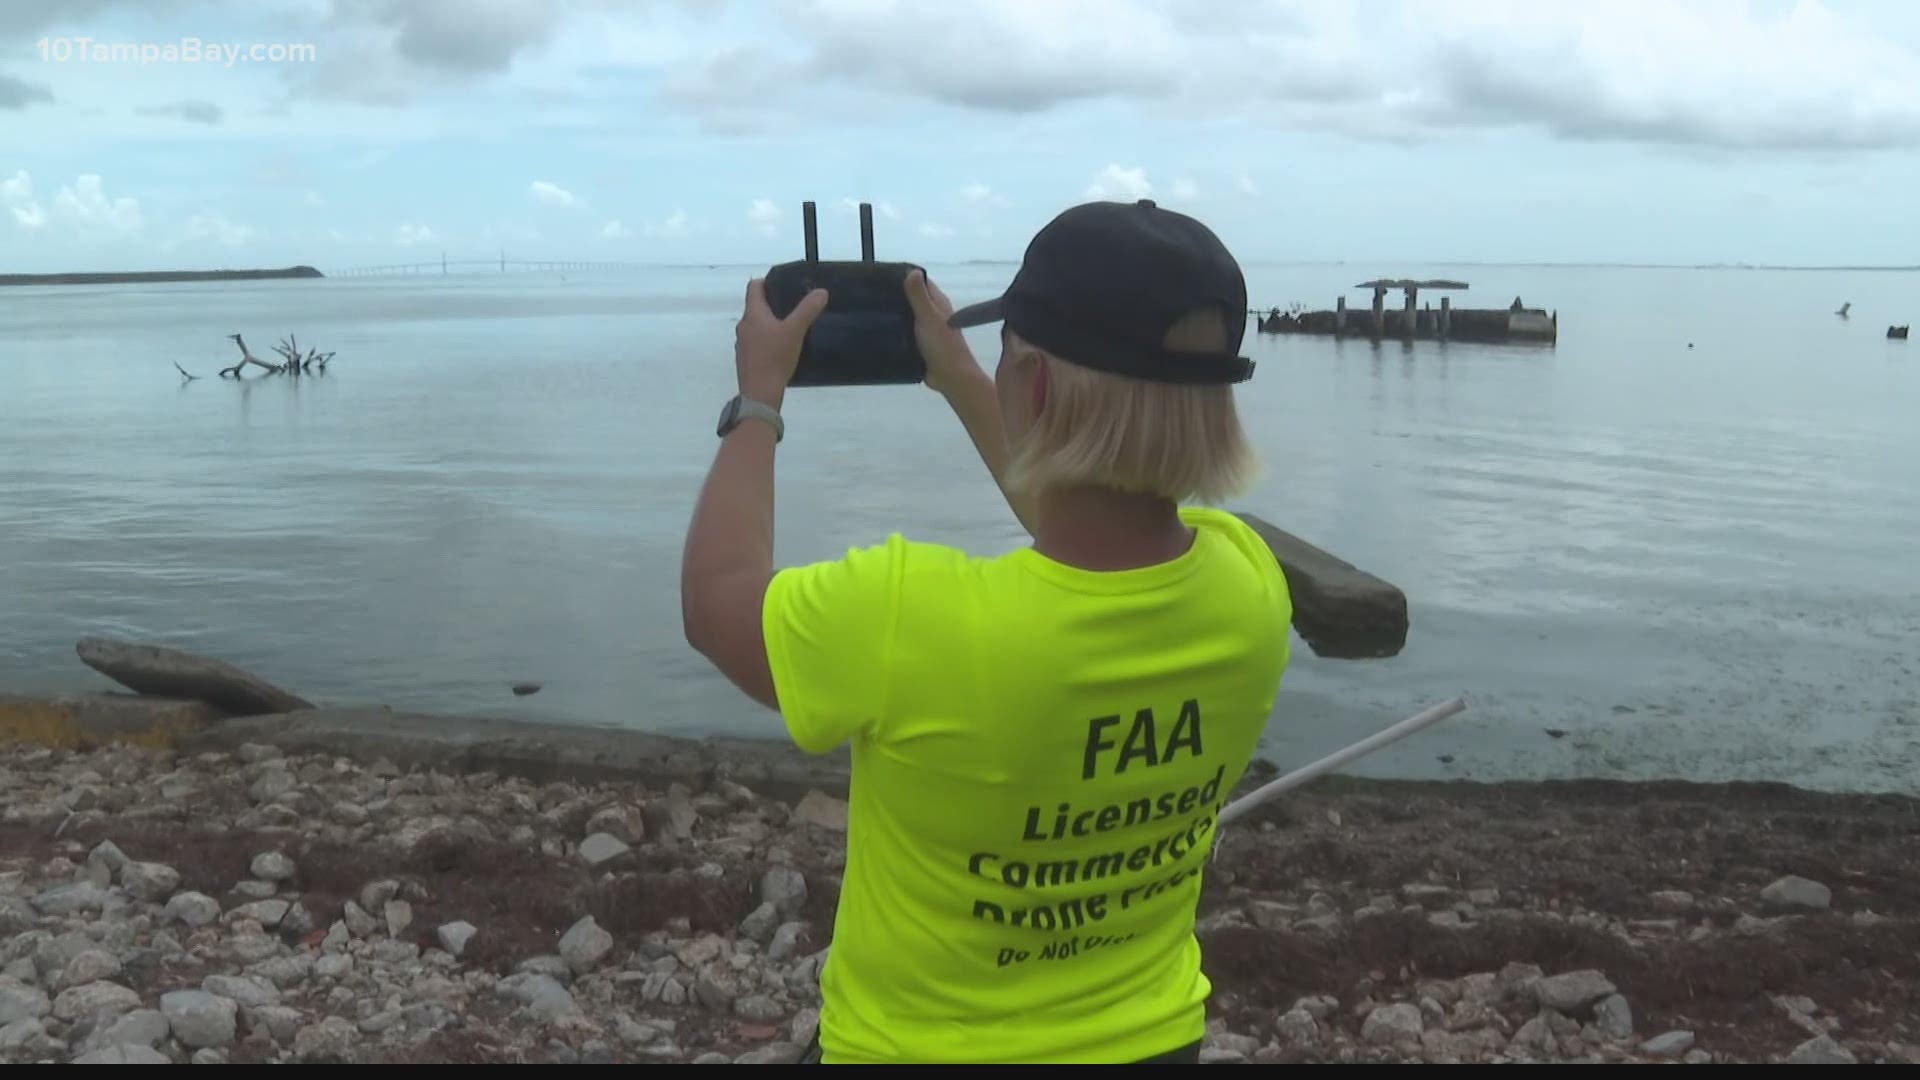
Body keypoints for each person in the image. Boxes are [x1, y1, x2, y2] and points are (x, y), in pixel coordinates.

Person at [680, 198, 1294, 1064]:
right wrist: (964, 374)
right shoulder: (1250, 589)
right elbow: (1093, 530)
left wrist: (757, 402)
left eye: (1008, 362)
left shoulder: (907, 619)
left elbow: (715, 601)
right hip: (1151, 1043)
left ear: (1034, 384)